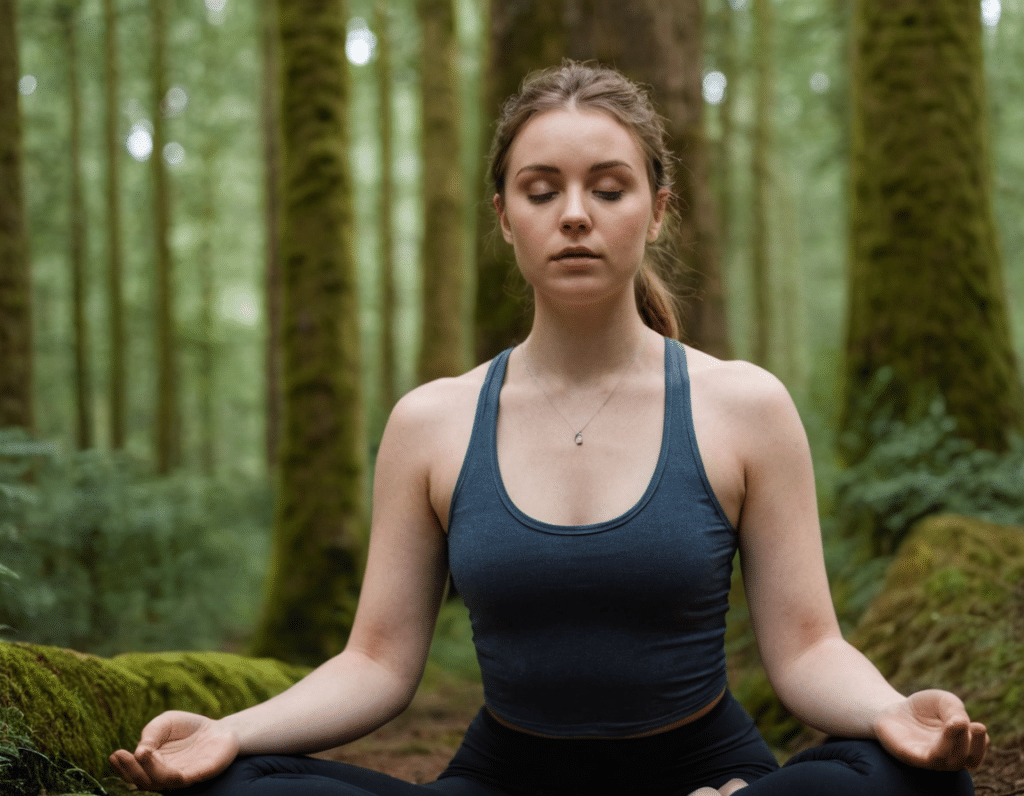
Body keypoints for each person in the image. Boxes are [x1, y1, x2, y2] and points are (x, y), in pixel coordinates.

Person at [110, 61, 988, 796]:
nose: (575, 214)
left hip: (705, 777)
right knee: (232, 785)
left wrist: (889, 714)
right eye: (542, 190)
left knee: (914, 776)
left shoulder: (743, 405)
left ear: (658, 208)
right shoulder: (432, 421)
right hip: (504, 777)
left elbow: (806, 649)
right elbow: (376, 662)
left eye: (609, 189)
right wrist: (229, 730)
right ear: (504, 216)